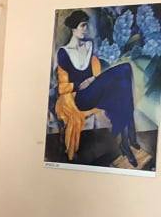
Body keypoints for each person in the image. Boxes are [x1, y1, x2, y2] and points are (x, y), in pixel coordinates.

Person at [54, 9, 138, 166]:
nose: (86, 29)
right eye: (82, 25)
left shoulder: (89, 45)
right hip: (81, 99)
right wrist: (79, 85)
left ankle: (126, 141)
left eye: (86, 25)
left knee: (123, 87)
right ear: (73, 28)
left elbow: (93, 74)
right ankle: (129, 137)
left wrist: (92, 79)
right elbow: (62, 87)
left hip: (94, 89)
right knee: (124, 70)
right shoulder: (64, 53)